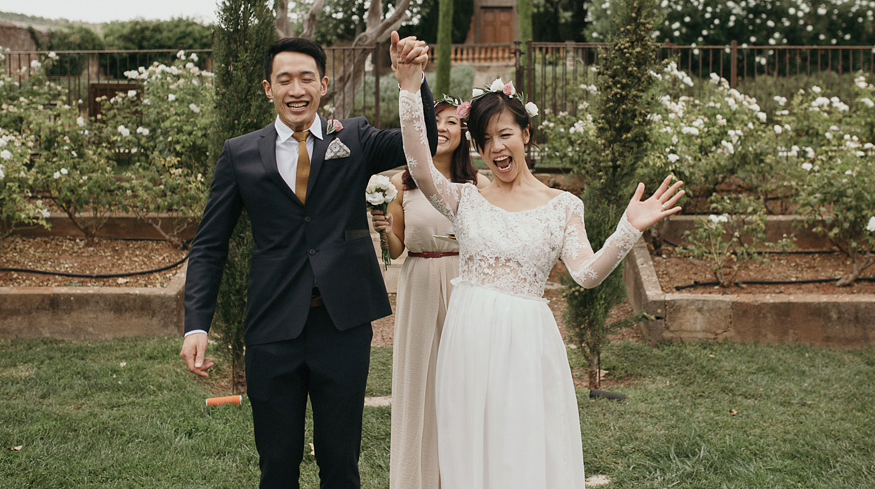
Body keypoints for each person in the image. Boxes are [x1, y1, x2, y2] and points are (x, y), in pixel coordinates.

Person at [393, 61, 685, 489]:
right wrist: (407, 88)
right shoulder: (465, 198)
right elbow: (419, 166)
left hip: (526, 343)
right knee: (468, 444)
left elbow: (586, 274)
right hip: (468, 338)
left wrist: (628, 230)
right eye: (485, 139)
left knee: (520, 448)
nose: (496, 148)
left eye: (505, 134)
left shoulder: (563, 206)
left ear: (526, 134)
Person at [179, 33, 437, 489]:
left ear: (323, 84)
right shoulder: (239, 154)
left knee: (341, 463)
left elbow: (425, 144)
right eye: (284, 80)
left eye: (305, 79)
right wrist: (196, 324)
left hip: (342, 326)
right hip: (272, 327)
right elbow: (209, 244)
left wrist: (412, 85)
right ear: (268, 89)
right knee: (276, 466)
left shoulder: (353, 137)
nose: (295, 89)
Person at [370, 97, 489, 489]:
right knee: (420, 379)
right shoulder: (402, 184)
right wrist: (383, 227)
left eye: (452, 122)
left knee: (465, 380)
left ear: (463, 133)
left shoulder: (478, 184)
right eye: (434, 120)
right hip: (420, 278)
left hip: (465, 282)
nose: (443, 128)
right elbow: (397, 249)